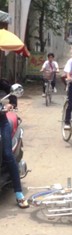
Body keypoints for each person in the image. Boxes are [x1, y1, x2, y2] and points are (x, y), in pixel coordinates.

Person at [0, 80, 28, 208]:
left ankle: (19, 194)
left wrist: (11, 104)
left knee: (7, 154)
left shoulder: (1, 82)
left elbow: (11, 92)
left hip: (2, 123)